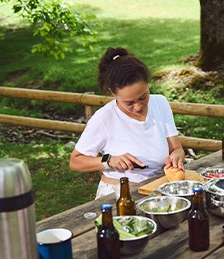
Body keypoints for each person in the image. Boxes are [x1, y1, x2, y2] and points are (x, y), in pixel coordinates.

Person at [69, 47, 185, 198]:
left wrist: (176, 157)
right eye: (129, 103)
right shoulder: (104, 118)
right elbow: (75, 161)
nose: (138, 107)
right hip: (119, 194)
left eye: (143, 97)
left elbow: (177, 149)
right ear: (112, 92)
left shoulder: (160, 103)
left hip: (159, 189)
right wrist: (110, 161)